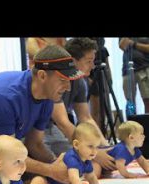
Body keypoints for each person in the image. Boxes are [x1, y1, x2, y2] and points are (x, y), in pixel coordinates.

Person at [0, 44, 84, 184]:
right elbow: (6, 153)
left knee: (43, 179)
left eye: (69, 81)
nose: (68, 88)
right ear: (42, 76)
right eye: (62, 80)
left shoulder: (47, 98)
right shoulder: (6, 95)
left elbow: (35, 144)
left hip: (2, 141)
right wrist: (50, 170)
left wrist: (56, 164)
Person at [45, 38, 116, 176]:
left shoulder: (80, 82)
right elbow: (63, 123)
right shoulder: (56, 79)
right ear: (73, 61)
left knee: (103, 163)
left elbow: (85, 117)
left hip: (57, 128)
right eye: (88, 61)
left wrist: (103, 145)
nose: (93, 66)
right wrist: (95, 153)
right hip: (46, 127)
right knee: (83, 163)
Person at [25, 123, 110, 184]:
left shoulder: (86, 160)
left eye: (97, 147)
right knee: (39, 181)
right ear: (76, 144)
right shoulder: (71, 157)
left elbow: (91, 177)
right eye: (90, 146)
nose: (94, 151)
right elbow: (74, 178)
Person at [119, 38, 149, 113]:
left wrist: (134, 44)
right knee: (130, 102)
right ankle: (131, 124)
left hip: (145, 68)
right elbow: (122, 45)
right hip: (128, 70)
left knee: (148, 100)